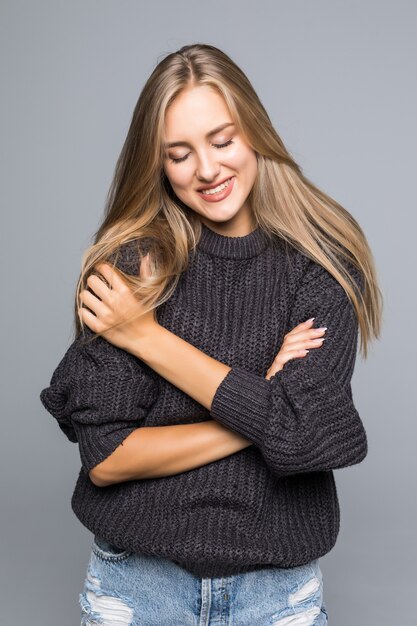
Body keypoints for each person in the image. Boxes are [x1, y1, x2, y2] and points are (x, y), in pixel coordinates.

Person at [40, 43, 382, 626]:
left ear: (255, 133)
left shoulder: (321, 267)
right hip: (138, 590)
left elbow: (310, 439)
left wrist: (146, 339)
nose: (206, 169)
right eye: (179, 154)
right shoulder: (133, 267)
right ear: (158, 163)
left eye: (222, 141)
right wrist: (265, 404)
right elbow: (107, 458)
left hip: (277, 597)